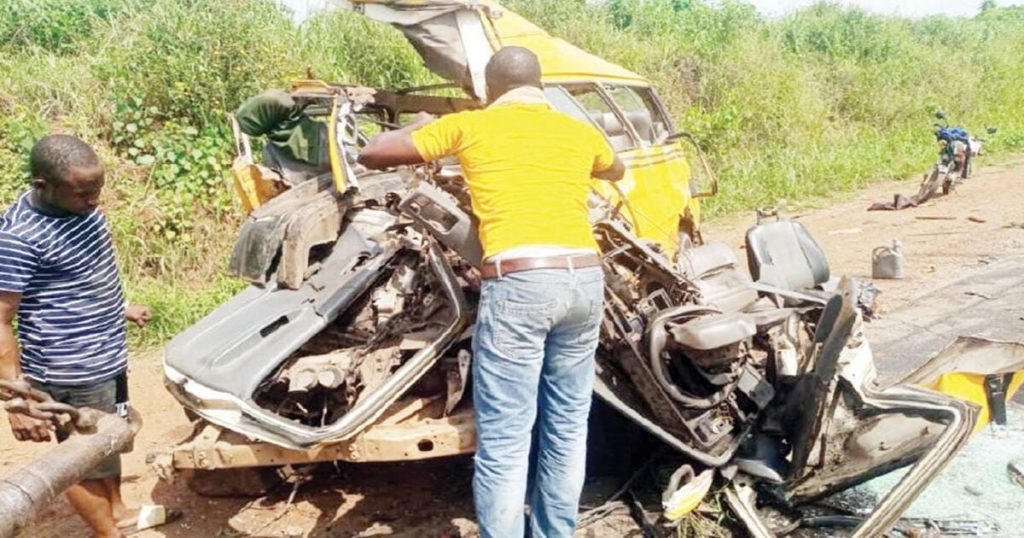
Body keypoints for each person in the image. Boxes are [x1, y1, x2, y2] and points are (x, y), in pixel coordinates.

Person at [359, 47, 626, 538]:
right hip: (584, 281)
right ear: (540, 86)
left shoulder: (471, 125)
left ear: (489, 90)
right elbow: (616, 169)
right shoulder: (575, 130)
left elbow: (372, 153)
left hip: (520, 282)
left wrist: (418, 125)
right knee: (568, 427)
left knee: (505, 438)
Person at [0, 134, 151, 538]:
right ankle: (106, 532)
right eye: (83, 193)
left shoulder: (81, 210)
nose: (94, 200)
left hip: (107, 355)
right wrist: (16, 398)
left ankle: (117, 510)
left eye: (97, 189)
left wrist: (119, 307)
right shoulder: (17, 238)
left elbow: (80, 274)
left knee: (110, 438)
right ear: (43, 185)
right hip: (68, 367)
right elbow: (0, 320)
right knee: (79, 455)